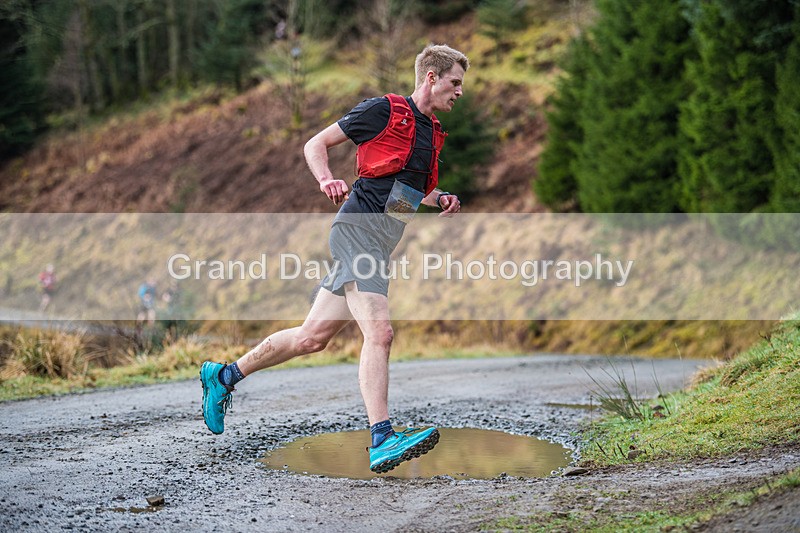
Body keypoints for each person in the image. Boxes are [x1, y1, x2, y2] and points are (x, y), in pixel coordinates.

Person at [200, 44, 468, 474]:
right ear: (431, 77)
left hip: (379, 242)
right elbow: (316, 143)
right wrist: (327, 179)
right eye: (455, 82)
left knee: (312, 338)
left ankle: (224, 375)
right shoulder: (384, 110)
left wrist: (440, 198)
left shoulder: (432, 133)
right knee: (380, 333)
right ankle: (382, 438)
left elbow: (404, 193)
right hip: (356, 230)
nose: (459, 92)